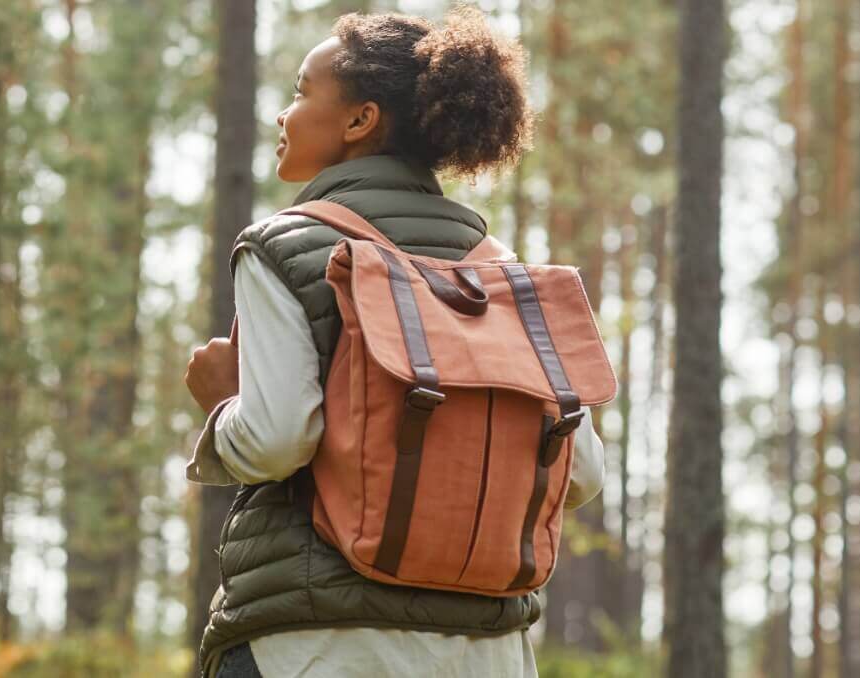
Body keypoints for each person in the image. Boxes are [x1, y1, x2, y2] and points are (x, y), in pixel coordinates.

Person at [183, 8, 606, 678]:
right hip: (487, 653)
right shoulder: (503, 272)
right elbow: (582, 474)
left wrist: (223, 403)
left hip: (318, 645)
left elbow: (274, 439)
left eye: (300, 92)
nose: (283, 114)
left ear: (360, 121)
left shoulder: (286, 246)